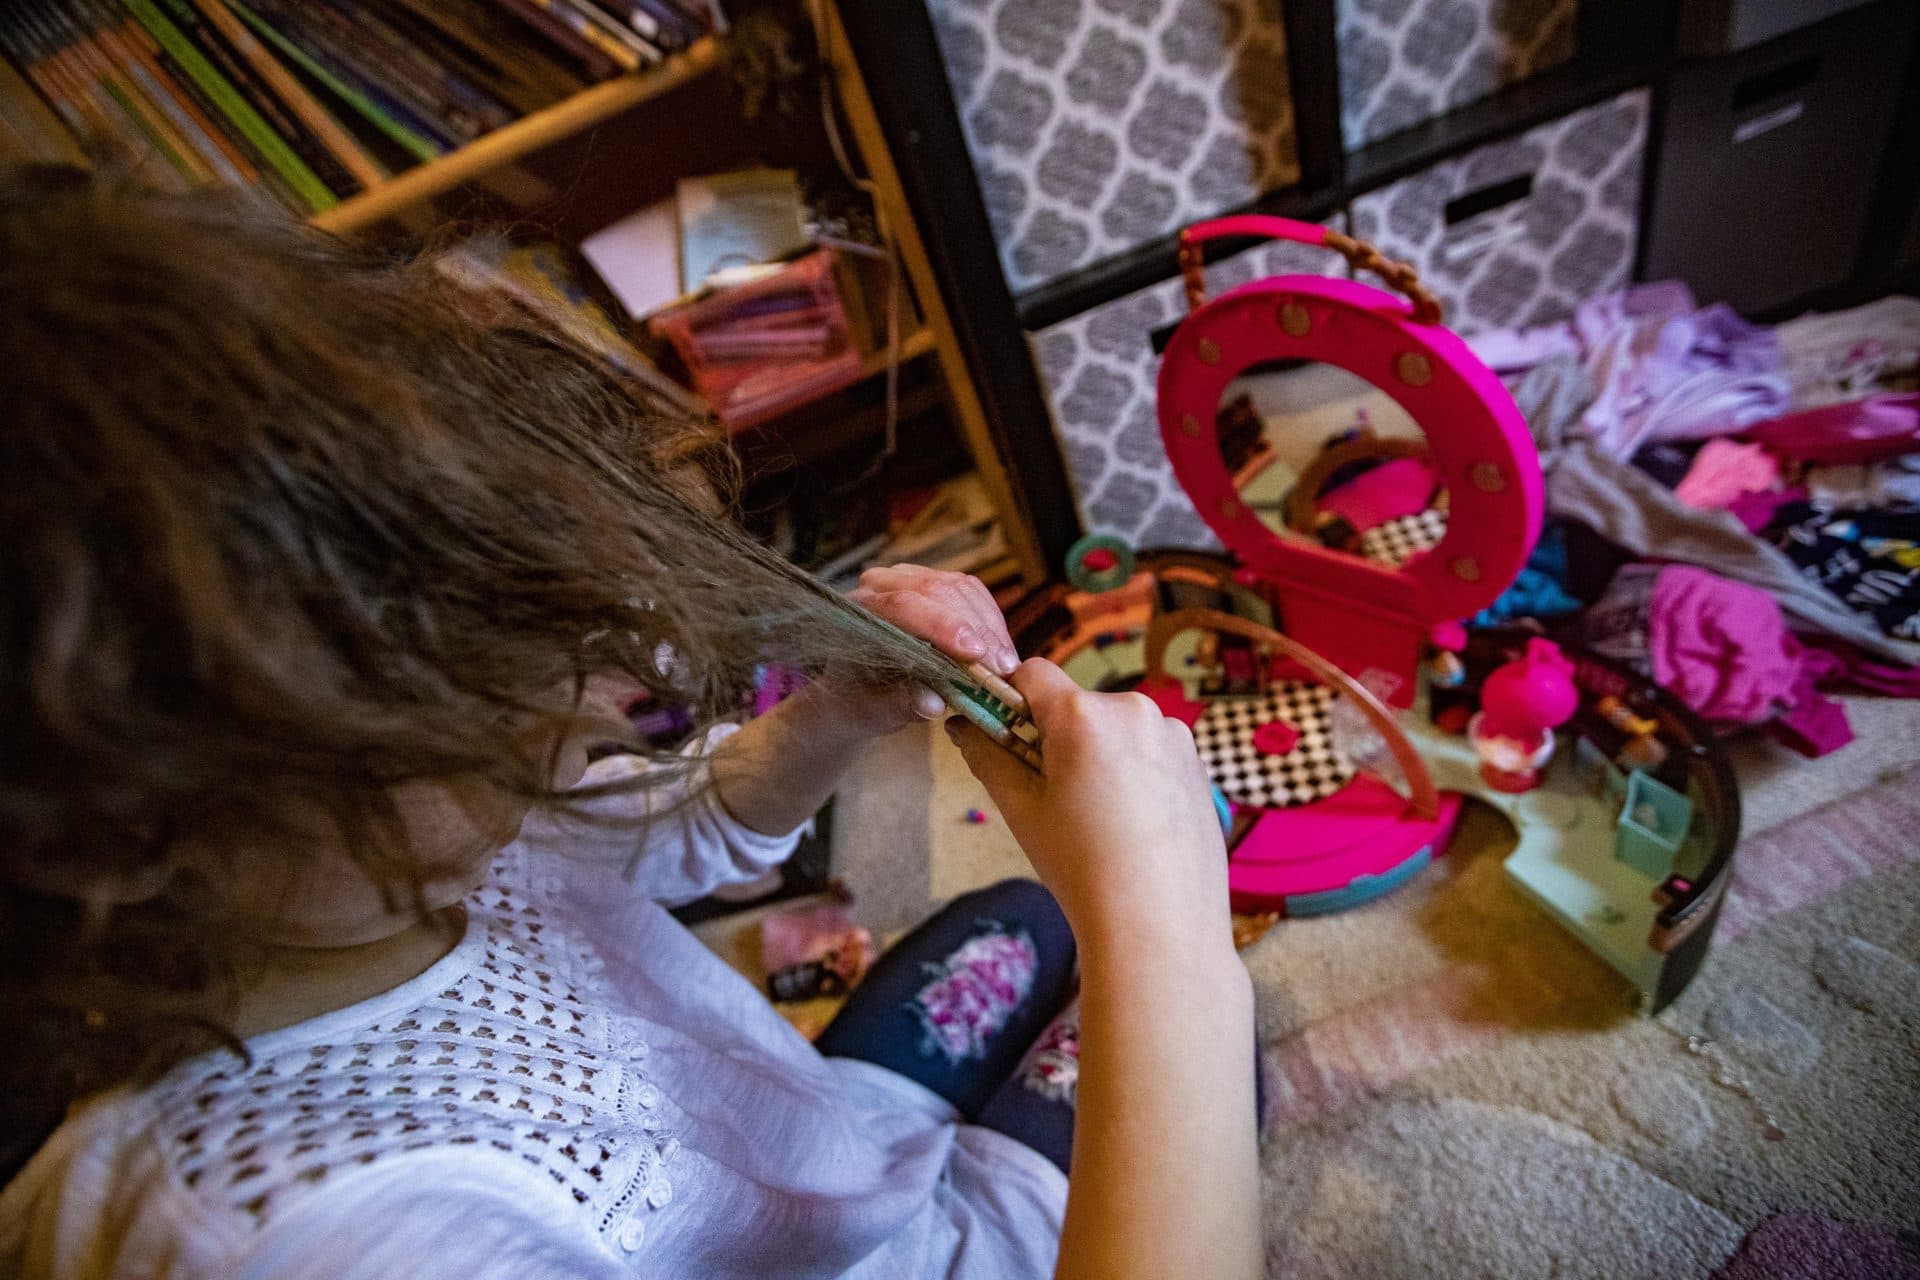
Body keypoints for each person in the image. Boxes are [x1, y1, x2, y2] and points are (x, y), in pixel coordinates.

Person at [0, 169, 1260, 1279]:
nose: (609, 708)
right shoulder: (339, 1241)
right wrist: (1167, 935)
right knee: (1199, 1024)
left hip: (840, 1158)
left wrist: (836, 715)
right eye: (485, 697)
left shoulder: (351, 858)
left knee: (1036, 914)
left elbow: (690, 815)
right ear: (129, 822)